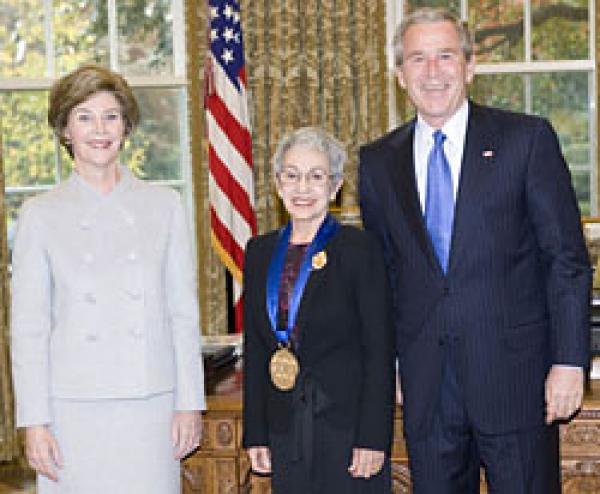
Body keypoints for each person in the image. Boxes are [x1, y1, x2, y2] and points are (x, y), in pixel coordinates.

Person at [359, 8, 591, 494]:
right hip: (427, 389)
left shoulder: (525, 140)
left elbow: (565, 259)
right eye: (417, 59)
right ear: (400, 75)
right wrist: (391, 366)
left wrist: (571, 361)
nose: (433, 71)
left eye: (445, 56)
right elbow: (383, 278)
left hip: (518, 383)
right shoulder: (378, 163)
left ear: (470, 65)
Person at [10, 64, 205, 494]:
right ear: (64, 129)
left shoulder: (164, 206)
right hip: (71, 412)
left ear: (126, 125)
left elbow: (182, 315)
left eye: (111, 116)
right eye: (84, 117)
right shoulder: (40, 216)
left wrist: (190, 404)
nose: (100, 130)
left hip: (151, 407)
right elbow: (29, 329)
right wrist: (34, 421)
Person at [242, 127, 395, 493]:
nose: (303, 188)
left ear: (335, 185)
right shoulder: (259, 252)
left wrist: (373, 437)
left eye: (316, 176)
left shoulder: (360, 250)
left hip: (348, 432)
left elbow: (379, 350)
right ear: (278, 183)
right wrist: (256, 433)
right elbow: (257, 349)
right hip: (285, 430)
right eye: (292, 175)